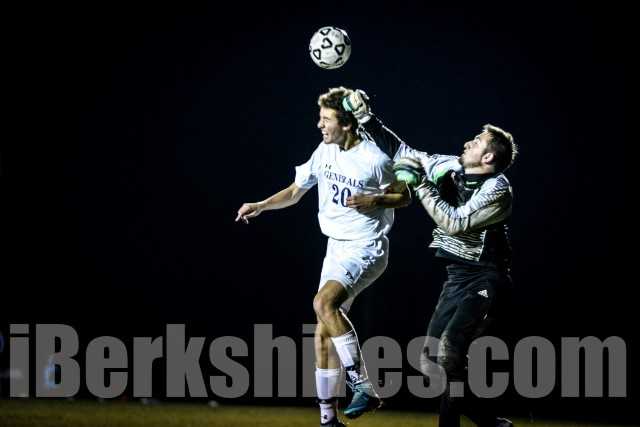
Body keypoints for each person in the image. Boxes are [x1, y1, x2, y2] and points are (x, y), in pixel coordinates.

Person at [235, 87, 411, 427]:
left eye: (326, 119)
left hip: (365, 246)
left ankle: (363, 385)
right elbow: (295, 191)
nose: (319, 125)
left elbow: (404, 196)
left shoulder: (376, 157)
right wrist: (261, 205)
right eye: (320, 118)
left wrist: (376, 200)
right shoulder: (324, 150)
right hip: (335, 248)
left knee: (323, 303)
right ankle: (328, 420)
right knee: (323, 335)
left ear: (346, 124)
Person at [345, 92, 517, 427]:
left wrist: (421, 184)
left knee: (450, 351)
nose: (467, 143)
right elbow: (404, 153)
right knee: (430, 361)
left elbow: (454, 222)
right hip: (458, 278)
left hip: (487, 277)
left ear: (489, 156)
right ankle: (490, 422)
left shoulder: (498, 189)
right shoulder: (451, 167)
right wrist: (367, 119)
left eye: (476, 142)